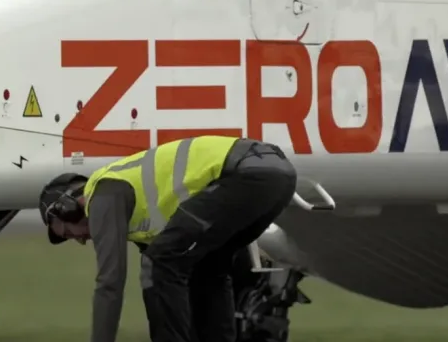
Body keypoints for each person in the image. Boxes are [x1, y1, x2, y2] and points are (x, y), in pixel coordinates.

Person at [37, 135, 298, 342]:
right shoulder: (130, 212)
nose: (80, 240)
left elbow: (110, 282)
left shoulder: (103, 193)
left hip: (248, 173)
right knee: (207, 269)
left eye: (67, 232)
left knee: (159, 262)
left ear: (67, 206)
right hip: (277, 176)